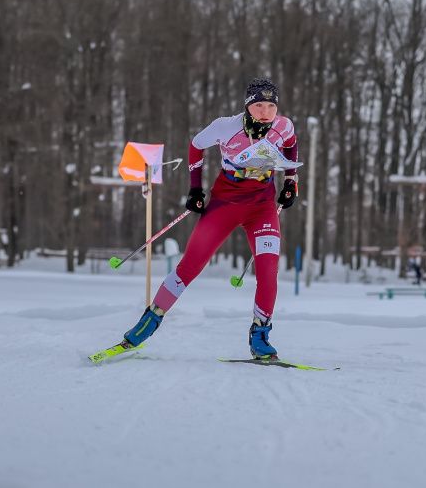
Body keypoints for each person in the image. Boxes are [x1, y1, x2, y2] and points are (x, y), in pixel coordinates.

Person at [119, 78, 298, 359]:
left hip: (262, 207)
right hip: (225, 204)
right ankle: (148, 322)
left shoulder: (283, 126)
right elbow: (195, 145)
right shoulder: (225, 126)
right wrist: (194, 188)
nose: (265, 112)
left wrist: (291, 181)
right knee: (191, 265)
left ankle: (260, 335)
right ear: (248, 106)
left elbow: (290, 145)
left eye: (271, 106)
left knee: (268, 269)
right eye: (259, 105)